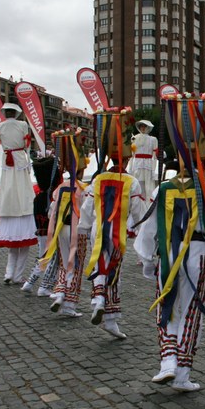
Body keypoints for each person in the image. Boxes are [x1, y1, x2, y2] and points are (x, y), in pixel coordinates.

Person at [136, 91, 205, 392]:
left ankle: (168, 361)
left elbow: (149, 229)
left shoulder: (163, 188)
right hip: (198, 252)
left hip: (168, 252)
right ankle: (180, 369)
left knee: (168, 302)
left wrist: (146, 258)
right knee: (192, 307)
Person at [80, 107, 145, 339]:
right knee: (111, 269)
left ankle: (108, 315)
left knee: (103, 265)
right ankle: (100, 302)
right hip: (117, 230)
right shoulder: (131, 181)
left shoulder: (98, 179)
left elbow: (87, 208)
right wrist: (140, 228)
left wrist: (84, 228)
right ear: (128, 158)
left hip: (99, 228)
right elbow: (138, 212)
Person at [45, 128, 89, 318]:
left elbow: (51, 212)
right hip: (77, 230)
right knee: (76, 264)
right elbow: (87, 212)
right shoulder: (83, 189)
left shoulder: (59, 188)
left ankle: (60, 292)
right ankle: (69, 303)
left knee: (65, 262)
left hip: (60, 230)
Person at [0, 102, 37, 284]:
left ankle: (9, 274)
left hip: (8, 160)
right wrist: (27, 157)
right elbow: (27, 146)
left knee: (8, 187)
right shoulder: (22, 125)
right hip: (18, 159)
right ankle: (15, 275)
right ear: (16, 113)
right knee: (21, 186)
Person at [21, 156, 60, 295]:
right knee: (51, 258)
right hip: (50, 231)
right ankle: (45, 286)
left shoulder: (38, 197)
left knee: (43, 257)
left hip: (41, 231)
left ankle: (30, 282)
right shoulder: (51, 196)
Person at [129, 119, 158, 199]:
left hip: (148, 163)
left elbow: (155, 155)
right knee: (137, 183)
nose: (143, 128)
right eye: (141, 126)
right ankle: (137, 202)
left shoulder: (153, 139)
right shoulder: (134, 138)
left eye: (144, 126)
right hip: (137, 163)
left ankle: (149, 203)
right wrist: (130, 167)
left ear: (148, 128)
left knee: (149, 185)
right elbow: (132, 154)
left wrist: (154, 169)